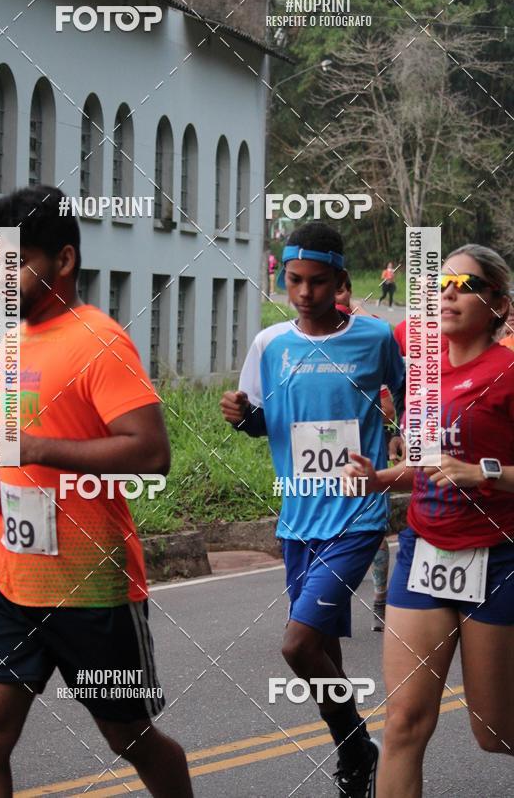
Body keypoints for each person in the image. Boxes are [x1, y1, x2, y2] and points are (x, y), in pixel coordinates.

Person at [0, 186, 193, 798]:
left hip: (92, 589)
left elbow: (149, 453)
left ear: (62, 261)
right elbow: (26, 450)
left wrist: (37, 452)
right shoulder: (10, 345)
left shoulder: (101, 339)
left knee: (130, 738)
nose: (1, 278)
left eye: (15, 262)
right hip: (9, 580)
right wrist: (1, 483)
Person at [221, 222, 406, 798]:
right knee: (323, 652)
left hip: (356, 515)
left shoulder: (376, 339)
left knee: (297, 645)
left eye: (317, 281)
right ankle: (354, 758)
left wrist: (400, 442)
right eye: (294, 280)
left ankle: (356, 743)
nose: (304, 292)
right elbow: (260, 422)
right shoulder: (270, 344)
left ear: (341, 282)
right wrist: (240, 416)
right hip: (297, 518)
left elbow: (414, 400)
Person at [343, 244, 514, 798]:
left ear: (499, 304)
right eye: (441, 283)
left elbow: (466, 469)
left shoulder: (509, 372)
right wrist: (378, 479)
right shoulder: (420, 362)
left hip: (497, 556)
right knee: (403, 725)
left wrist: (481, 472)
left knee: (494, 733)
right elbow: (425, 469)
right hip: (425, 552)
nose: (448, 294)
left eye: (465, 286)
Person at [334, 275, 394, 632]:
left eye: (340, 291)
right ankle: (323, 603)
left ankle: (381, 597)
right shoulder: (301, 338)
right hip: (317, 451)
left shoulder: (368, 338)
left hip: (364, 452)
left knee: (374, 529)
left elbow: (387, 404)